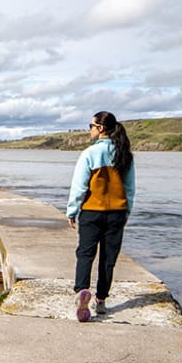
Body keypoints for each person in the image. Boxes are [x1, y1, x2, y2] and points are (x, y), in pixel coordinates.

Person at [66, 111, 135, 322]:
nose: (89, 129)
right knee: (108, 258)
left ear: (100, 128)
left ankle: (82, 291)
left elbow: (79, 187)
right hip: (117, 213)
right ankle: (101, 299)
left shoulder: (89, 154)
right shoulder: (124, 154)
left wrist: (72, 211)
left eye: (91, 125)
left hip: (92, 212)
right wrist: (126, 211)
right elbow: (129, 189)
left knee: (85, 253)